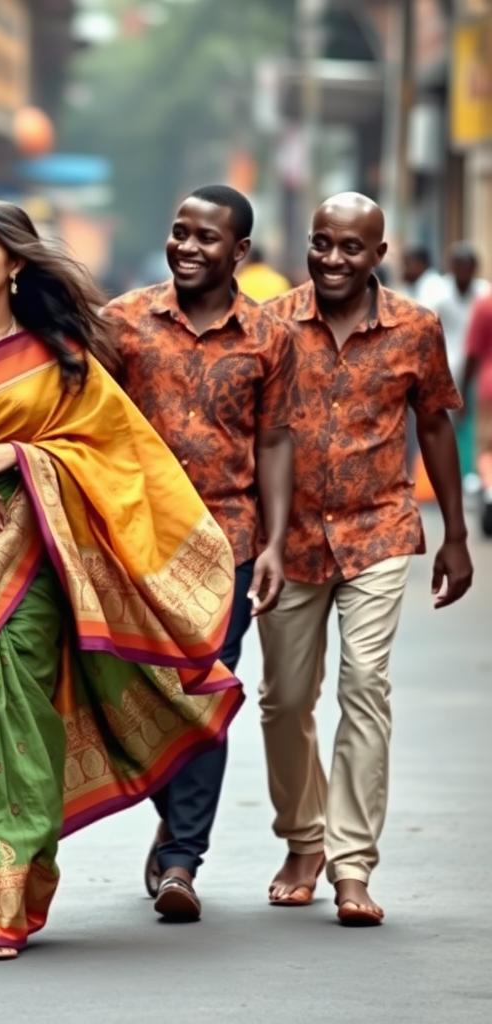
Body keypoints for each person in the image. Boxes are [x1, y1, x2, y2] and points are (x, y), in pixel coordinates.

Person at [0, 200, 244, 960]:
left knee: (21, 728)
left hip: (30, 553)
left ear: (16, 264)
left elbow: (114, 453)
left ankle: (1, 907)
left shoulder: (60, 353)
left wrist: (22, 457)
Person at [261, 192, 473, 926]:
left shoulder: (415, 328)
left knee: (366, 685)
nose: (334, 259)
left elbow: (437, 427)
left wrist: (454, 534)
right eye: (323, 243)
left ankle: (352, 863)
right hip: (287, 542)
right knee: (285, 699)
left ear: (378, 255)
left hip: (378, 529)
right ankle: (303, 837)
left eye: (351, 248)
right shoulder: (274, 324)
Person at [103, 185, 294, 922]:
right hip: (133, 542)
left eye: (205, 238)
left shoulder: (267, 337)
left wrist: (274, 543)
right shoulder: (125, 322)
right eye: (178, 232)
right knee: (141, 694)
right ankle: (167, 798)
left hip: (228, 543)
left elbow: (275, 440)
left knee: (207, 693)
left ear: (238, 252)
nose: (186, 247)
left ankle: (183, 857)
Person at [431, 243, 489, 481]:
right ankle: (450, 474)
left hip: (477, 371)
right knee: (447, 425)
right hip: (447, 366)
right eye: (459, 266)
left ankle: (472, 475)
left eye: (468, 267)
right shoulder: (440, 296)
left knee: (476, 429)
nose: (463, 272)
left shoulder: (484, 294)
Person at [462, 290, 492, 534]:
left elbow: (472, 354)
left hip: (488, 387)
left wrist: (462, 391)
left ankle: (490, 490)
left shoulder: (485, 304)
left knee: (487, 447)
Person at [400, 245, 443, 309]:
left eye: (407, 264)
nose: (404, 269)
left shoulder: (434, 285)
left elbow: (421, 313)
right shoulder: (414, 283)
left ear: (420, 264)